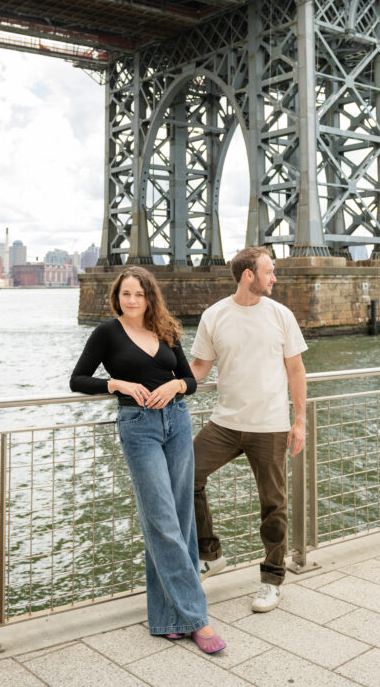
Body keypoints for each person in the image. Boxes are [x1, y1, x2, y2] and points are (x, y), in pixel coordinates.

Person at [69, 266, 226, 654]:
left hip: (177, 420)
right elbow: (77, 379)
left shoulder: (167, 330)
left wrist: (175, 383)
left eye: (139, 294)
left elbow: (191, 381)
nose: (133, 300)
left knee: (181, 519)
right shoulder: (107, 333)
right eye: (126, 294)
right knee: (160, 520)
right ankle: (196, 618)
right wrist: (116, 383)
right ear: (117, 297)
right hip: (138, 427)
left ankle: (168, 617)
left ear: (149, 296)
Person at [190, 246, 307, 613]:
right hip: (224, 424)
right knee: (185, 474)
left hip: (270, 426)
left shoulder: (281, 315)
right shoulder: (214, 316)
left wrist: (299, 420)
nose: (274, 278)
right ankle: (210, 554)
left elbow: (296, 370)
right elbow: (199, 368)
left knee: (273, 505)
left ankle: (272, 580)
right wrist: (166, 385)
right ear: (248, 275)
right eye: (269, 271)